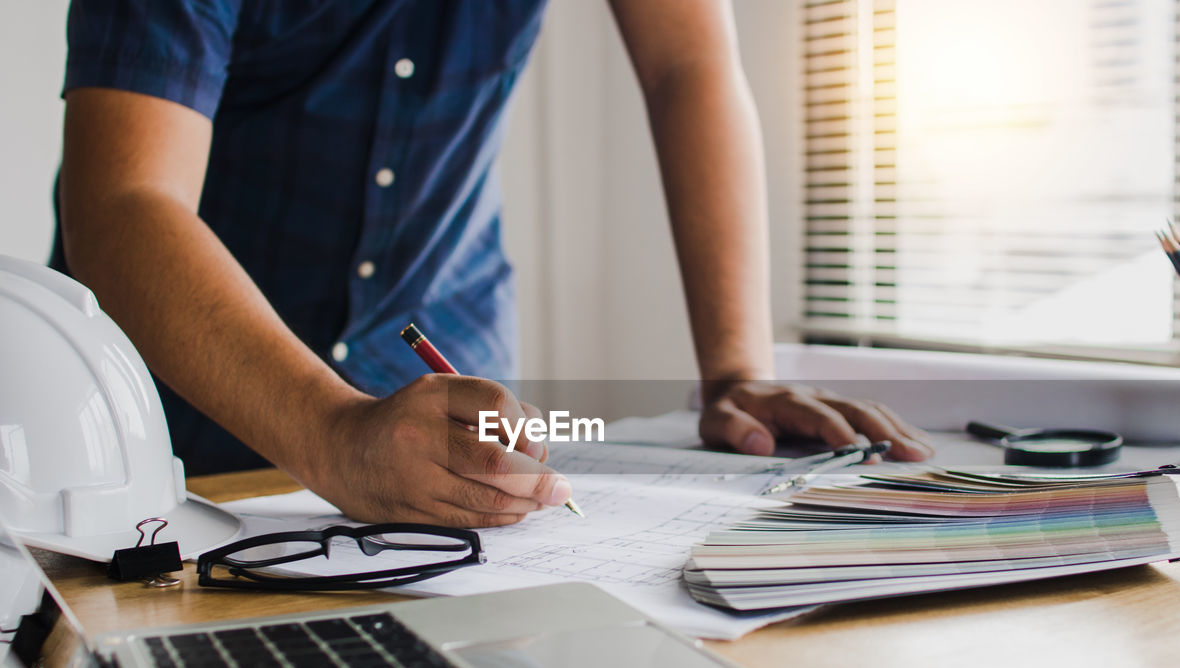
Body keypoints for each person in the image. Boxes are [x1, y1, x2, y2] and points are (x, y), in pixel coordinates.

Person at [54, 0, 933, 529]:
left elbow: (688, 63)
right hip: (177, 417)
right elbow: (127, 202)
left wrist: (737, 368)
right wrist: (329, 432)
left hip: (448, 384)